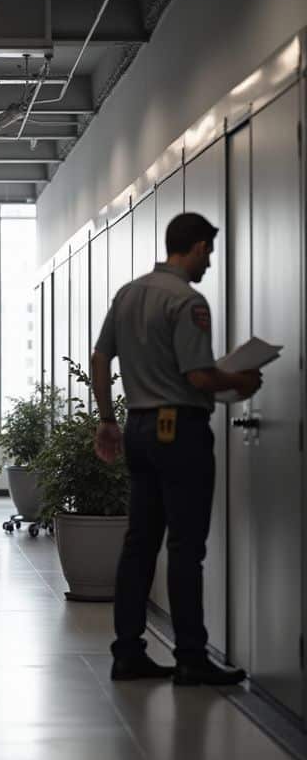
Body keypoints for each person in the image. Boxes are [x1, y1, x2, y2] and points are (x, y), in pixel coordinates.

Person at [91, 212, 261, 685]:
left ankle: (127, 652)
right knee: (187, 547)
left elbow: (101, 356)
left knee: (139, 544)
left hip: (138, 429)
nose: (209, 261)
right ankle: (190, 656)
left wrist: (107, 418)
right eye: (209, 250)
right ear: (199, 246)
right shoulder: (188, 301)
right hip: (179, 431)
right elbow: (200, 377)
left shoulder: (128, 294)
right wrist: (242, 381)